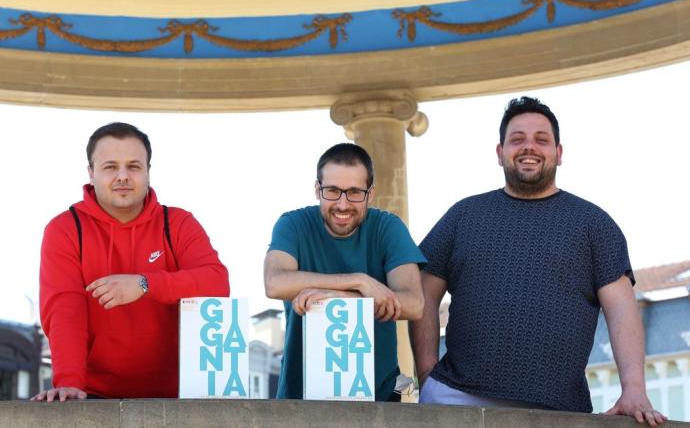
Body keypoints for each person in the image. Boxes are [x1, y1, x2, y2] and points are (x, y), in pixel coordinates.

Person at [410, 97, 667, 426]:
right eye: (517, 139)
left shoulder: (594, 224)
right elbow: (422, 291)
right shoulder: (463, 216)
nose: (529, 147)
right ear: (500, 151)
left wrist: (633, 389)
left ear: (559, 153)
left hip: (557, 410)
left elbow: (621, 309)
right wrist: (427, 373)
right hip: (455, 400)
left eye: (541, 140)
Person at [32, 122, 229, 402]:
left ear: (148, 171)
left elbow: (216, 283)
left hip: (176, 398)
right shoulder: (65, 228)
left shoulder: (178, 223)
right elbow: (65, 308)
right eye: (110, 166)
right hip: (93, 395)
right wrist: (69, 382)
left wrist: (145, 283)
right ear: (91, 173)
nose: (122, 176)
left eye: (134, 166)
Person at [264, 143, 426, 401]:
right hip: (300, 397)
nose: (342, 204)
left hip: (379, 397)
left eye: (354, 192)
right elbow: (274, 283)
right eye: (332, 191)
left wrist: (337, 297)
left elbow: (414, 304)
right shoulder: (292, 224)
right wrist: (360, 281)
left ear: (370, 194)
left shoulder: (388, 228)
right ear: (318, 189)